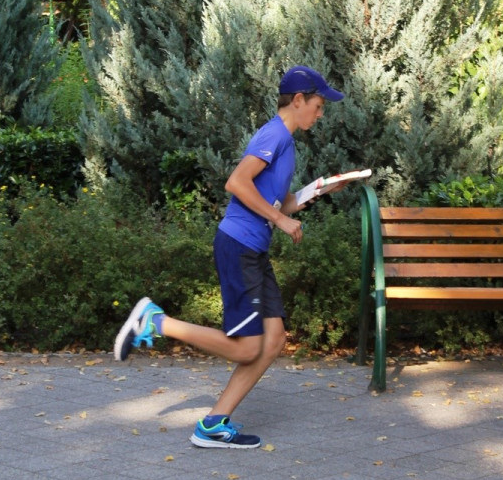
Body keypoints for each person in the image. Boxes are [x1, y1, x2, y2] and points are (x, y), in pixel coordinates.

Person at [113, 65, 346, 449]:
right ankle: (155, 322)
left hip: (253, 249)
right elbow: (236, 183)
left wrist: (317, 191)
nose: (321, 114)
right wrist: (281, 222)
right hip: (240, 247)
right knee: (247, 347)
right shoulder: (274, 135)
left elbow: (277, 200)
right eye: (319, 106)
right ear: (299, 100)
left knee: (272, 341)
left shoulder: (285, 142)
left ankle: (212, 424)